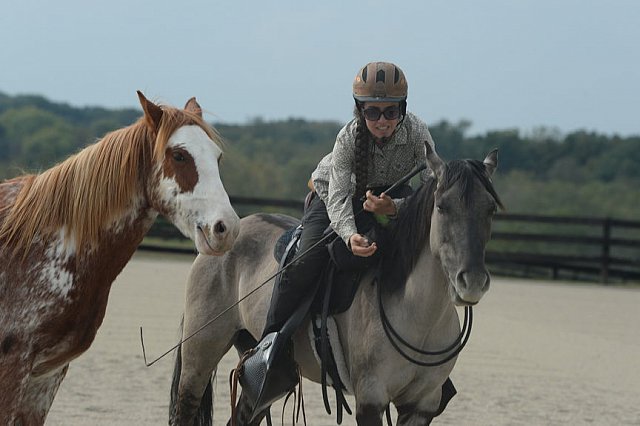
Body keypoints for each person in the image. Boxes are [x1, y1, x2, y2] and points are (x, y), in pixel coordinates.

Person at [239, 61, 436, 419]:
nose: (382, 120)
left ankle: (432, 369)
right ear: (360, 110)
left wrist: (395, 207)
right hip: (333, 198)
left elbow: (431, 195)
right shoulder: (348, 137)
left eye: (391, 111)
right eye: (372, 111)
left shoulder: (419, 135)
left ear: (403, 109)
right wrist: (350, 237)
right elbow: (340, 200)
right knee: (304, 261)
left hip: (389, 203)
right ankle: (270, 351)